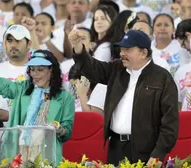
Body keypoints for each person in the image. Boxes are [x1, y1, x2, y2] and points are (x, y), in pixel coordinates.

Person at [69, 29, 179, 166]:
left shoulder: (162, 78)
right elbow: (92, 68)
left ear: (143, 53)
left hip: (146, 151)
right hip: (116, 147)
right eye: (121, 49)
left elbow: (170, 122)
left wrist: (158, 153)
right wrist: (78, 47)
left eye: (128, 50)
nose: (122, 54)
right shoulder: (116, 69)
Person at [0, 50, 75, 166]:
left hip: (46, 153)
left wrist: (59, 129)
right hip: (19, 150)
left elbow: (67, 132)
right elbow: (2, 85)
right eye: (32, 69)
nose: (35, 74)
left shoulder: (65, 98)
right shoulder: (23, 89)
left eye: (40, 70)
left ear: (51, 70)